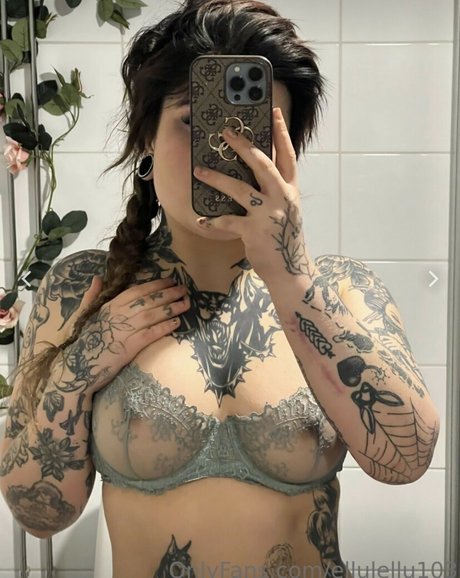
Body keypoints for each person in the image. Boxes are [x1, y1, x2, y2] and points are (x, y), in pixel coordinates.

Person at [0, 0, 440, 576]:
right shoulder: (83, 288)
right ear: (146, 139)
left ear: (287, 153)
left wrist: (291, 277)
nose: (225, 153)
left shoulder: (342, 289)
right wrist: (81, 367)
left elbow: (407, 460)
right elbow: (38, 513)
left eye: (252, 131)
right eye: (196, 123)